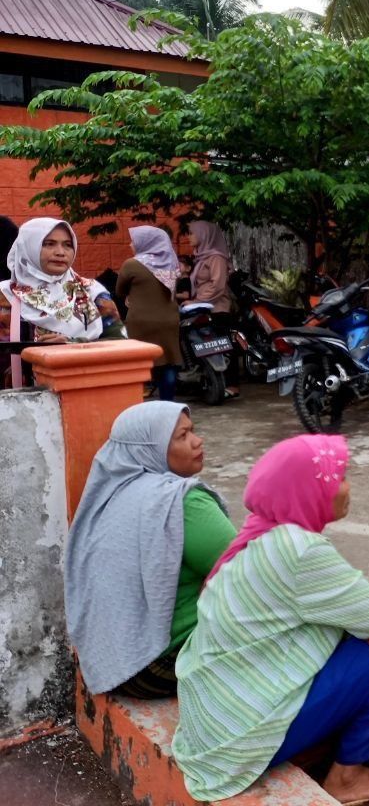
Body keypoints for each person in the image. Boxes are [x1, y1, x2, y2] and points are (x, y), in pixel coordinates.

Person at [172, 435, 369, 805]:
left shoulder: (259, 532)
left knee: (346, 635)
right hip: (239, 742)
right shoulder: (299, 550)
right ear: (309, 490)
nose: (348, 488)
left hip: (212, 729)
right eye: (339, 478)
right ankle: (347, 777)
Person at [64, 402, 235, 698]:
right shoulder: (181, 501)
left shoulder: (109, 493)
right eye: (182, 436)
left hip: (114, 663)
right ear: (149, 449)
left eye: (192, 431)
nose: (198, 441)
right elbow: (254, 571)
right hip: (167, 663)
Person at [1, 218, 122, 345]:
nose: (60, 252)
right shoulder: (5, 294)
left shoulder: (91, 292)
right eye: (49, 244)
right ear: (27, 247)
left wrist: (73, 344)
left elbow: (120, 342)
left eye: (68, 245)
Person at [118, 226, 183, 401]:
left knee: (138, 361)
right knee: (167, 360)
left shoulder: (131, 264)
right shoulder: (172, 263)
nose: (131, 244)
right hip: (169, 320)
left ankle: (137, 403)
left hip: (141, 321)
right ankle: (168, 403)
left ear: (146, 243)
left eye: (134, 240)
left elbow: (119, 289)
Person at [189, 220, 239, 398]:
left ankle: (232, 385)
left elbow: (217, 285)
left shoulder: (216, 257)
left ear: (204, 235)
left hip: (218, 308)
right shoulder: (201, 257)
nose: (189, 237)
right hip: (203, 308)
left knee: (223, 345)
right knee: (207, 345)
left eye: (192, 233)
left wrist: (196, 301)